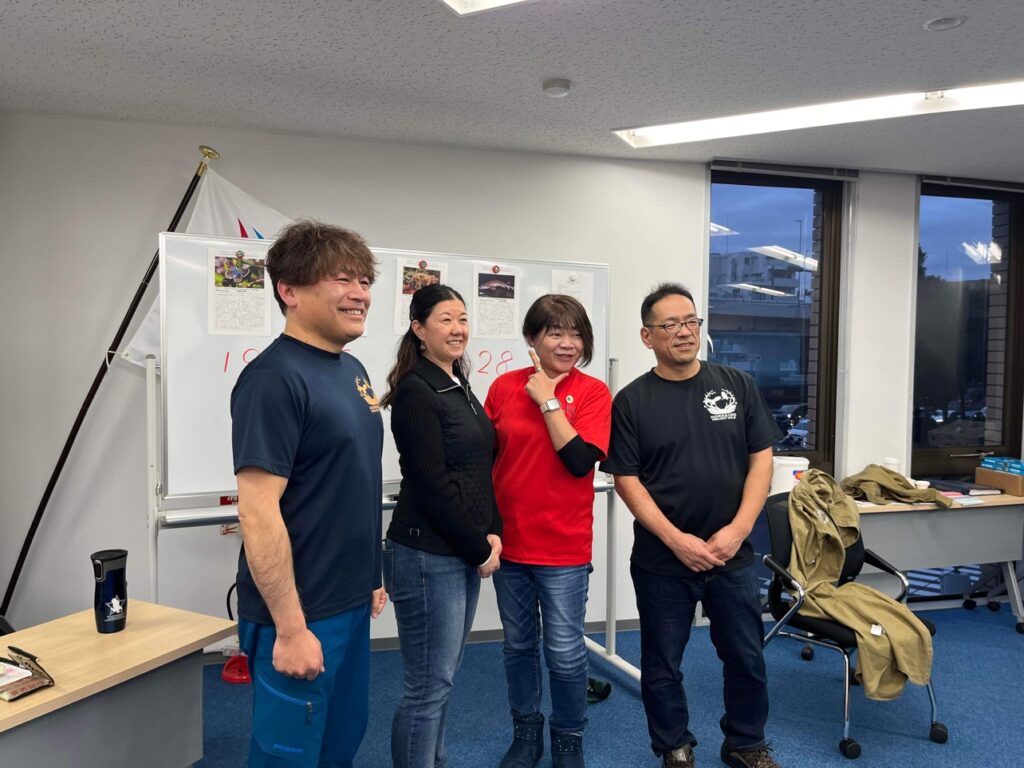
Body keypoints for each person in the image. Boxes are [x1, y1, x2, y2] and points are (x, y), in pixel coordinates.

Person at [600, 283, 783, 768]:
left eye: (691, 321)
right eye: (670, 324)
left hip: (732, 556)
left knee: (746, 657)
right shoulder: (632, 401)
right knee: (662, 664)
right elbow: (626, 480)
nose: (684, 332)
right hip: (663, 560)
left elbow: (762, 460)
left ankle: (746, 742)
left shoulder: (736, 384)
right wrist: (676, 540)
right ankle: (674, 745)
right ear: (647, 336)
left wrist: (740, 529)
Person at [230, 220, 388, 768]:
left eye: (364, 280)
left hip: (348, 599)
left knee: (341, 743)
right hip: (300, 610)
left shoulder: (353, 369)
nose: (360, 293)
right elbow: (258, 512)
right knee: (289, 755)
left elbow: (353, 482)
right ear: (290, 291)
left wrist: (371, 576)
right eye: (342, 279)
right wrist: (291, 628)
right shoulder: (273, 379)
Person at [485, 295, 612, 768]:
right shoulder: (503, 387)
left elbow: (579, 461)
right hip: (510, 544)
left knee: (564, 653)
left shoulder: (594, 392)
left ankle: (568, 738)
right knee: (518, 647)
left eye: (576, 334)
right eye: (555, 332)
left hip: (564, 548)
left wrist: (548, 399)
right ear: (531, 338)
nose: (567, 343)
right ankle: (526, 733)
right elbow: (485, 460)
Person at [381, 284, 503, 768]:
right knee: (427, 686)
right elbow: (432, 486)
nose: (458, 329)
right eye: (446, 320)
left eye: (463, 319)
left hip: (458, 550)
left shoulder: (457, 383)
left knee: (442, 679)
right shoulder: (417, 391)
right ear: (419, 328)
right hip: (426, 556)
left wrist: (491, 530)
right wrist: (479, 548)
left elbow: (477, 469)